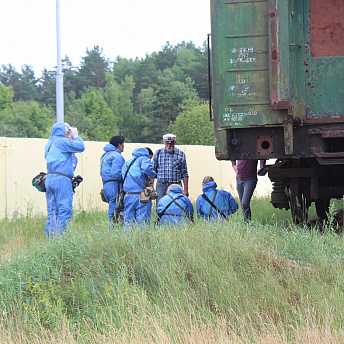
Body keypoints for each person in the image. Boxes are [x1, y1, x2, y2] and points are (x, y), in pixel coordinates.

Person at [45, 122, 85, 236]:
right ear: (66, 132)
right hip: (61, 179)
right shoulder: (61, 141)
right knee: (64, 210)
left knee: (53, 212)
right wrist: (76, 136)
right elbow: (81, 147)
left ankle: (51, 240)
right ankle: (60, 241)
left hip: (50, 178)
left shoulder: (49, 143)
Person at [122, 147, 156, 226]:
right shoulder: (144, 159)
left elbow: (122, 176)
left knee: (128, 222)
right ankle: (141, 238)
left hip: (128, 195)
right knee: (143, 221)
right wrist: (154, 174)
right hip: (141, 195)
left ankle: (127, 237)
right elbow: (147, 168)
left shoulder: (127, 163)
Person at [152, 133, 189, 206]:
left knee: (178, 205)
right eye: (167, 143)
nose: (169, 146)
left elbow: (185, 173)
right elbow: (153, 172)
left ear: (175, 142)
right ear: (163, 142)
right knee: (160, 205)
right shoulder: (158, 153)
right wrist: (152, 187)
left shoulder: (180, 154)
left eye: (171, 143)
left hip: (176, 185)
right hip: (161, 185)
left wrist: (185, 190)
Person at [100, 135, 125, 223]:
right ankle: (113, 232)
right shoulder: (117, 156)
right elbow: (116, 174)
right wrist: (126, 177)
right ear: (119, 144)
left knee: (112, 210)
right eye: (123, 144)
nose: (124, 146)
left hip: (106, 185)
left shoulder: (105, 155)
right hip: (114, 185)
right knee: (116, 212)